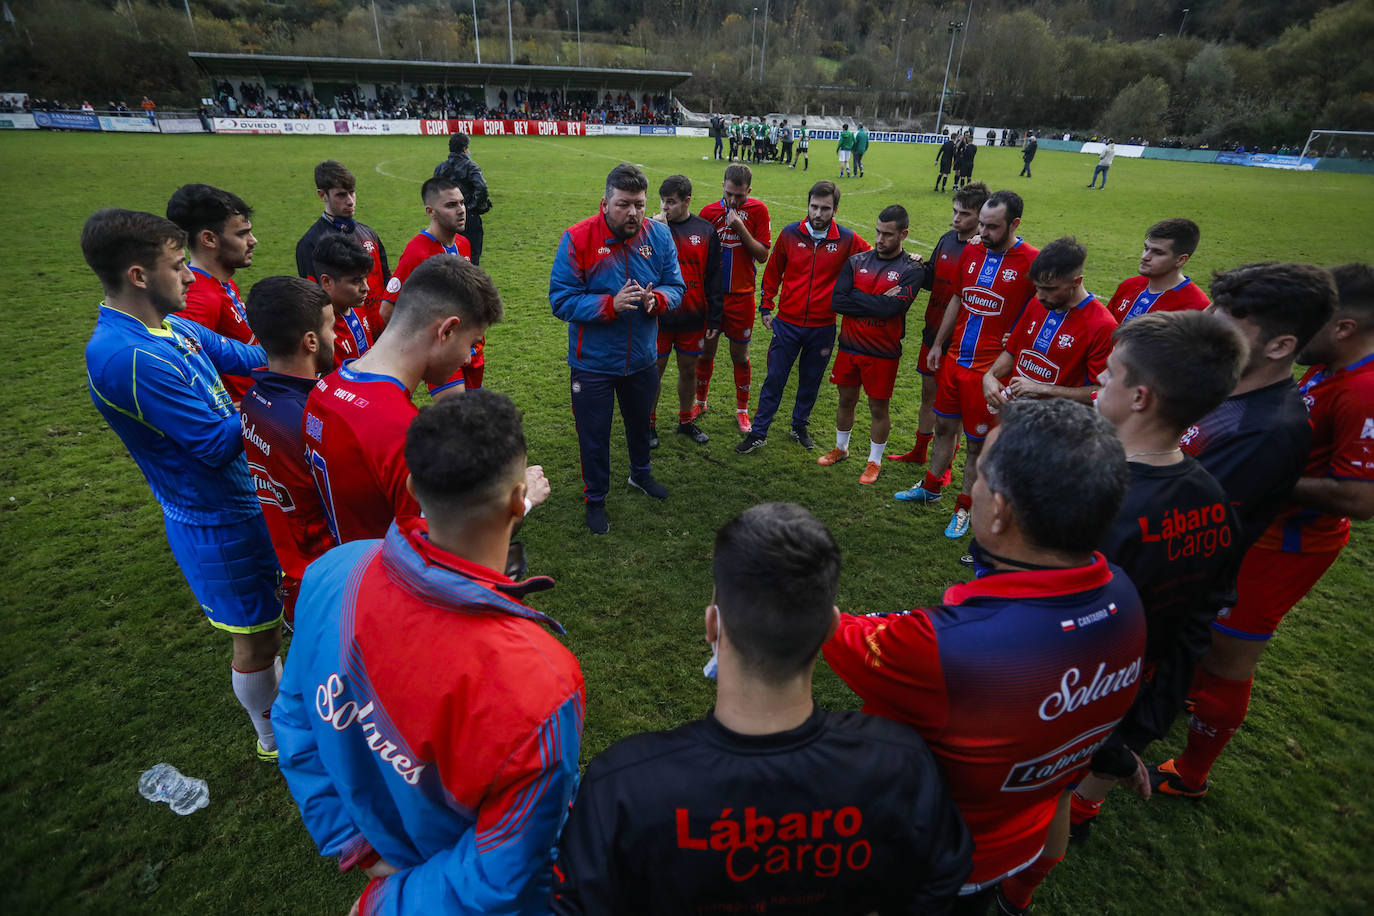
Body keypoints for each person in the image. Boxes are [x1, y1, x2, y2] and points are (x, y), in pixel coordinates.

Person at [553, 503, 973, 914]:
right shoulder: (901, 764)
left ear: (712, 625)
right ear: (832, 628)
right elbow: (940, 881)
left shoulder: (624, 786)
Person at [825, 399, 1145, 916]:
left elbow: (825, 626)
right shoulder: (1123, 595)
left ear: (999, 511)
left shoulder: (946, 646)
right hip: (1016, 839)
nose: (970, 485)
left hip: (920, 864)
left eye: (978, 477)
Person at [274, 391, 584, 916]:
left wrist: (358, 845)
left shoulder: (335, 571)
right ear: (518, 502)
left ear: (413, 488)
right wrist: (383, 905)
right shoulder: (543, 685)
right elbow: (504, 874)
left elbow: (294, 717)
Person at [82, 208, 282, 762]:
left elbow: (249, 357)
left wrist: (302, 343)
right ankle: (272, 738)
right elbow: (215, 445)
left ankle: (284, 715)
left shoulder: (172, 327)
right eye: (178, 266)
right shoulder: (126, 357)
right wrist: (273, 397)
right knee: (256, 638)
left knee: (274, 621)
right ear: (139, 276)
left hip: (247, 501)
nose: (192, 277)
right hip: (215, 521)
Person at [1150, 263, 1354, 801]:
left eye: (1229, 321)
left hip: (1263, 551)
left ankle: (1186, 773)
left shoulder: (1264, 429)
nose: (1210, 327)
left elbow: (1186, 518)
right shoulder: (1232, 389)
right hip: (1204, 553)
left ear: (1280, 344)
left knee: (1225, 658)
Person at [1050, 311, 1247, 865]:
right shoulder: (1213, 498)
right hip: (1133, 691)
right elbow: (1198, 624)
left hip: (1061, 699)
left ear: (1140, 396)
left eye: (1108, 374)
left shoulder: (1095, 504)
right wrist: (1143, 725)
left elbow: (1047, 627)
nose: (1098, 384)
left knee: (1036, 806)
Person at [304, 256, 509, 545]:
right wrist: (517, 503)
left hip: (343, 573)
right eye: (472, 343)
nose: (467, 358)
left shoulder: (325, 387)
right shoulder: (404, 433)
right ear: (447, 330)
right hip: (381, 579)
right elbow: (436, 557)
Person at [549, 164, 685, 535]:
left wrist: (658, 298)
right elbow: (560, 300)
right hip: (592, 362)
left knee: (640, 425)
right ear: (605, 203)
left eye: (639, 204)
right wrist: (609, 305)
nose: (633, 213)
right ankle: (595, 498)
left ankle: (640, 475)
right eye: (623, 204)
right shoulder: (577, 238)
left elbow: (677, 285)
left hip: (642, 358)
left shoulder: (658, 236)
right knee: (594, 435)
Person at [896, 190, 1039, 543]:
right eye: (983, 225)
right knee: (944, 427)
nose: (984, 233)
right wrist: (939, 344)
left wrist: (1016, 347)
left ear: (1014, 224)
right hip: (955, 358)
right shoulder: (973, 250)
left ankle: (963, 507)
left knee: (977, 444)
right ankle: (931, 487)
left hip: (990, 373)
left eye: (993, 227)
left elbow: (1041, 310)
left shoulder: (1032, 262)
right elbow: (958, 298)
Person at [737, 181, 871, 454]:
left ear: (835, 209)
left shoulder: (846, 239)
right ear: (807, 205)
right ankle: (759, 432)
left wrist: (908, 258)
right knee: (774, 379)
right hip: (787, 324)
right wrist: (766, 306)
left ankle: (799, 426)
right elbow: (773, 272)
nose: (818, 213)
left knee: (810, 382)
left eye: (825, 208)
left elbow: (874, 258)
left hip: (822, 327)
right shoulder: (790, 234)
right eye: (814, 207)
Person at [240, 276, 339, 621]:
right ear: (311, 341)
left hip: (294, 575)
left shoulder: (254, 398)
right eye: (331, 328)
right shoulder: (312, 417)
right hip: (330, 580)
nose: (336, 337)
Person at [819, 205, 924, 485]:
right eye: (878, 232)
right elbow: (837, 301)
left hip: (882, 354)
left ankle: (874, 462)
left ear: (904, 234)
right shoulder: (856, 261)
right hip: (850, 348)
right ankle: (841, 448)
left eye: (888, 234)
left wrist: (858, 296)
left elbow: (892, 310)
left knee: (879, 409)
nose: (880, 239)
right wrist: (878, 301)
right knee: (845, 400)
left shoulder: (912, 269)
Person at [889, 182, 989, 468]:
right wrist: (921, 266)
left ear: (982, 217)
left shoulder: (984, 251)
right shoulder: (947, 239)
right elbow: (933, 280)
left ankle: (944, 464)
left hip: (961, 343)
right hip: (932, 332)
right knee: (928, 397)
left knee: (953, 411)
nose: (957, 219)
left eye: (965, 214)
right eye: (955, 211)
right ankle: (920, 451)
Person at [980, 236, 1118, 409]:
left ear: (1077, 282)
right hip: (1017, 416)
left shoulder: (1102, 326)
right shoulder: (1036, 303)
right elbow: (1012, 351)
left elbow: (1103, 392)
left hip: (1059, 425)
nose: (1042, 295)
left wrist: (1043, 389)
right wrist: (990, 376)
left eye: (1050, 289)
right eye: (1038, 287)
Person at [165, 183, 259, 402]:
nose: (253, 241)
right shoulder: (200, 299)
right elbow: (178, 366)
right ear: (208, 239)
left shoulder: (222, 284)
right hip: (238, 424)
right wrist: (217, 412)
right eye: (243, 233)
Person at [384, 176, 477, 395]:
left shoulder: (463, 244)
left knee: (474, 415)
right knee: (457, 416)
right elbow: (387, 310)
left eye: (462, 203)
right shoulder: (418, 252)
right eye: (451, 205)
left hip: (467, 348)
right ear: (430, 211)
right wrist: (425, 350)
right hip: (440, 352)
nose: (461, 210)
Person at [696, 165, 771, 432]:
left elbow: (762, 255)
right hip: (712, 299)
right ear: (722, 186)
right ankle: (700, 402)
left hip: (741, 297)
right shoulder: (708, 213)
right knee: (705, 353)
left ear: (749, 192)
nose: (733, 200)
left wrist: (739, 227)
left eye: (740, 196)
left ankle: (742, 411)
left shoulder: (758, 211)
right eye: (729, 194)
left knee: (740, 356)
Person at [650, 175, 723, 447]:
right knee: (654, 371)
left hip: (693, 316)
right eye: (663, 201)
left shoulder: (705, 231)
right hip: (658, 316)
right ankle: (649, 424)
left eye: (671, 202)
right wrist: (659, 233)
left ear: (687, 201)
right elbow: (644, 267)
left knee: (689, 370)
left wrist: (715, 315)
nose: (665, 207)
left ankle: (685, 421)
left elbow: (714, 276)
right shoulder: (652, 228)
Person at [294, 161, 391, 329]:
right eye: (341, 195)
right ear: (322, 195)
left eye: (352, 193)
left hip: (382, 329)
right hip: (347, 335)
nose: (350, 201)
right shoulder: (310, 244)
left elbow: (387, 281)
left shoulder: (369, 234)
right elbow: (315, 302)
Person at [1106, 219, 1210, 324]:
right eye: (1146, 248)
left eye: (1158, 252)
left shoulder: (1196, 308)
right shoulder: (1129, 285)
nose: (1145, 257)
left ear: (1180, 260)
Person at [311, 234, 377, 368]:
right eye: (356, 280)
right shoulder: (318, 332)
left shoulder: (355, 303)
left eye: (365, 278)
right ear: (327, 281)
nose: (366, 288)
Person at [433, 132, 491, 264]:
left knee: (446, 257)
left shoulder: (440, 168)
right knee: (471, 257)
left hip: (445, 218)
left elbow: (434, 192)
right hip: (467, 217)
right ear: (464, 148)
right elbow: (482, 188)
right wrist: (474, 207)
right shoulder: (471, 167)